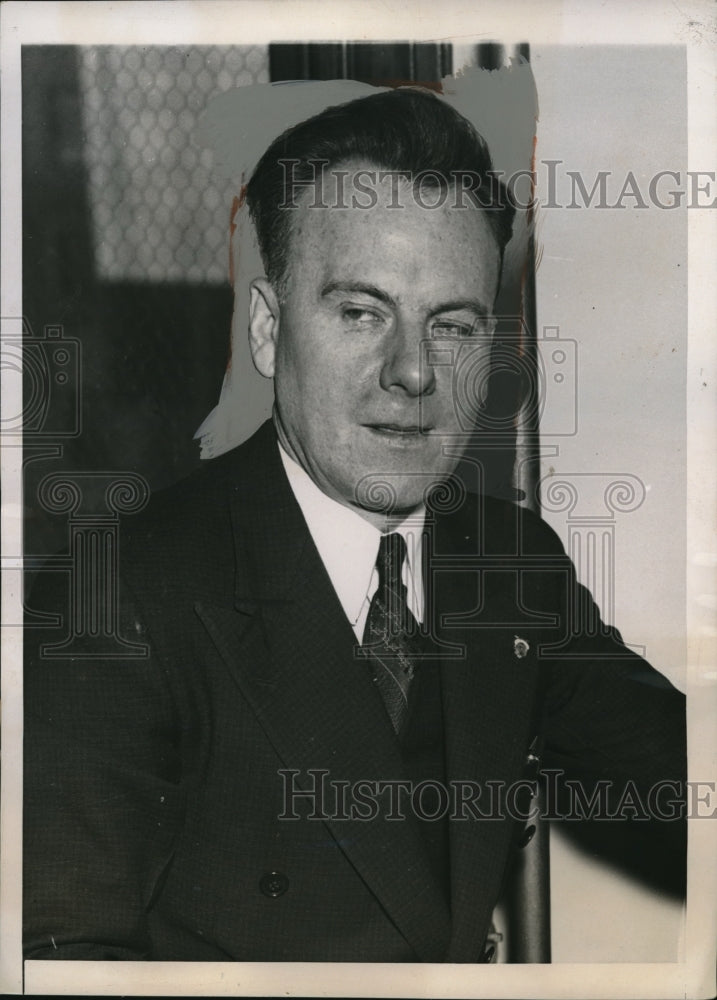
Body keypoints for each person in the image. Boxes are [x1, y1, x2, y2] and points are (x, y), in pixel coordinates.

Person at [23, 87, 686, 963]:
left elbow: (679, 772)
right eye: (360, 313)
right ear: (267, 330)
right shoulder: (119, 593)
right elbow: (67, 961)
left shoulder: (509, 564)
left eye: (450, 326)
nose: (412, 372)